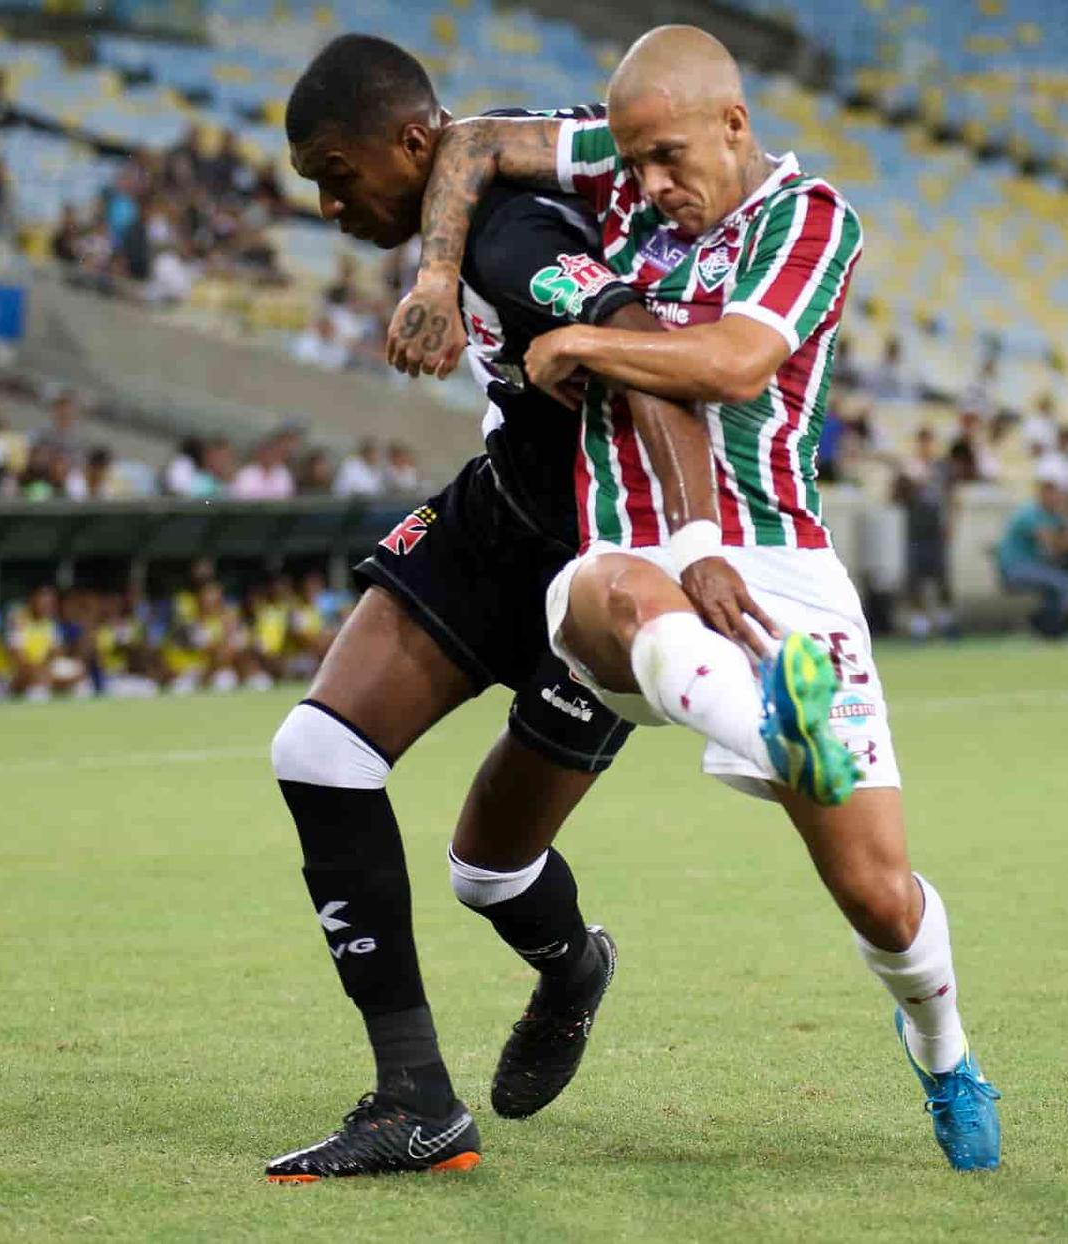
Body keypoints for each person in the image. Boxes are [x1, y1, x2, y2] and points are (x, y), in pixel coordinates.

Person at [386, 24, 1002, 1172]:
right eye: (633, 161)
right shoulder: (618, 162)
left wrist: (578, 339)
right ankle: (772, 726)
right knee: (607, 597)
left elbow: (729, 364)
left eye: (670, 157)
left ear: (734, 122)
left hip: (778, 561)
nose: (650, 185)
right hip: (628, 551)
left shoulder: (813, 219)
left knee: (879, 896)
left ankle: (947, 1052)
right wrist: (434, 271)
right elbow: (465, 143)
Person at [265, 35, 734, 1182]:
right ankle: (415, 1098)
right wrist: (432, 273)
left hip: (600, 563)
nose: (331, 205)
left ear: (407, 144)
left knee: (489, 870)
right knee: (318, 751)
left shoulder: (516, 237)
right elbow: (472, 141)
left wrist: (689, 550)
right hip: (500, 512)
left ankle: (572, 966)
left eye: (337, 173)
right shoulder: (464, 187)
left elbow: (649, 355)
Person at [892, 427, 956, 640]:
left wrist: (951, 523)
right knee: (916, 579)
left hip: (935, 527)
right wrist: (912, 483)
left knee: (942, 576)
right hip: (916, 528)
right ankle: (920, 625)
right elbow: (896, 496)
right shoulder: (909, 469)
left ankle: (947, 622)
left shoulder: (941, 468)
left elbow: (951, 496)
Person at [997, 477, 1068, 637]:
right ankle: (1044, 625)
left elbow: (1066, 537)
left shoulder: (1052, 515)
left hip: (1035, 566)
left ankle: (1046, 627)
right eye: (1053, 495)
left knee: (1056, 590)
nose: (1057, 499)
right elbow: (1052, 542)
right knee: (1067, 587)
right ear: (1043, 495)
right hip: (1017, 568)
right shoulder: (1029, 513)